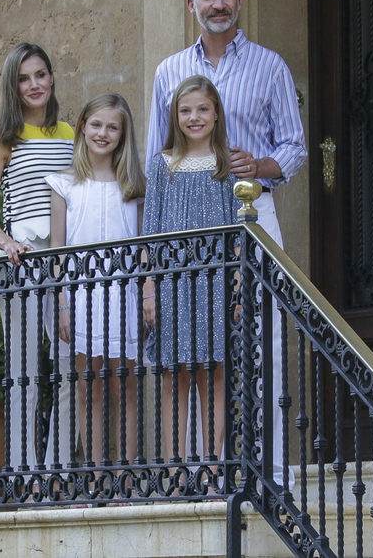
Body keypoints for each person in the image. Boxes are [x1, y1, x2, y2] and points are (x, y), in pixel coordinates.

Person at [145, 0, 308, 485]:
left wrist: (257, 167)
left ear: (240, 1)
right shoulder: (168, 72)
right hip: (184, 221)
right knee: (186, 345)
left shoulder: (269, 65)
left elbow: (295, 146)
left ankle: (270, 468)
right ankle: (191, 471)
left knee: (260, 337)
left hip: (251, 209)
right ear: (191, 4)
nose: (218, 4)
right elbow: (156, 150)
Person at [0, 42, 74, 469]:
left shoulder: (71, 133)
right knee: (25, 374)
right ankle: (24, 472)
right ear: (12, 86)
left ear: (51, 77)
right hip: (23, 265)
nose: (34, 84)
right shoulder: (1, 137)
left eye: (40, 75)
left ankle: (59, 469)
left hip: (67, 264)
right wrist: (7, 243)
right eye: (24, 78)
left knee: (71, 371)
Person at [46, 93, 146, 465]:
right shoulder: (64, 185)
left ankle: (126, 475)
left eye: (112, 127)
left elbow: (142, 249)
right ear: (83, 128)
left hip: (124, 295)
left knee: (126, 387)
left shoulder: (134, 188)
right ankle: (97, 474)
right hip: (81, 296)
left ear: (123, 134)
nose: (103, 133)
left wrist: (145, 298)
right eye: (96, 124)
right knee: (88, 388)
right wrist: (61, 304)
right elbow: (57, 251)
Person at [143, 75, 238, 463]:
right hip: (172, 284)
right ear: (174, 116)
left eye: (202, 109)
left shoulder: (227, 165)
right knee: (174, 374)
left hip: (215, 283)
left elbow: (237, 234)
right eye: (185, 110)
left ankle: (213, 465)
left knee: (213, 374)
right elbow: (149, 233)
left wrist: (237, 287)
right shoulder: (162, 165)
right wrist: (148, 287)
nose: (194, 117)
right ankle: (176, 469)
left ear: (215, 114)